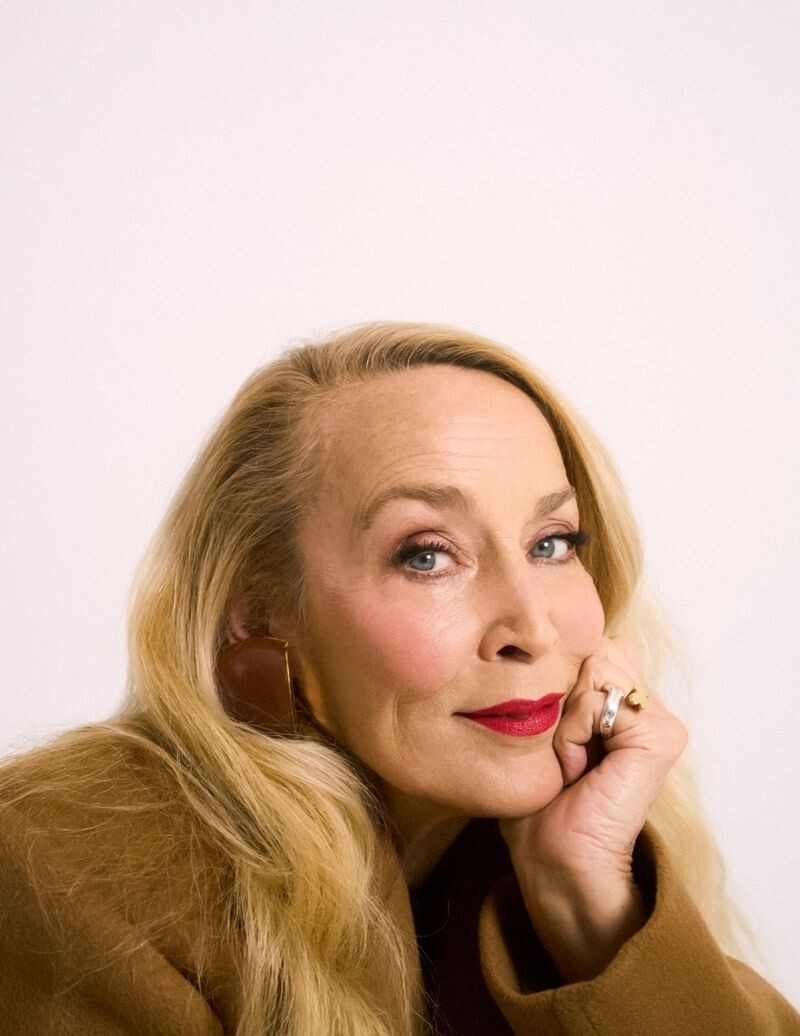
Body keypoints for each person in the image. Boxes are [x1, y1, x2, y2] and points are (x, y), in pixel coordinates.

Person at [0, 321, 797, 1036]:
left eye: (552, 543)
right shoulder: (63, 868)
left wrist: (588, 899)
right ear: (260, 614)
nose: (532, 628)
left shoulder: (524, 861)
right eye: (428, 555)